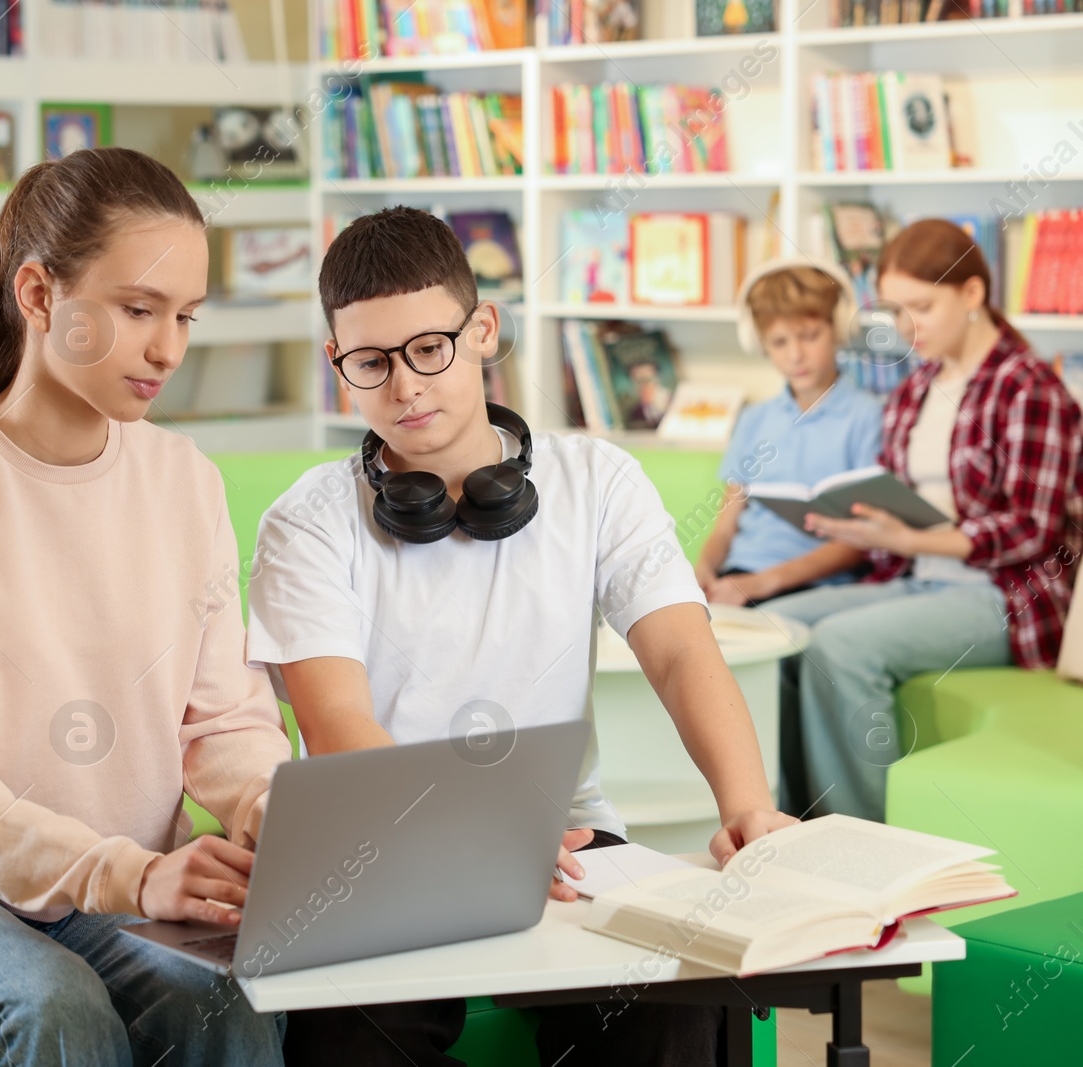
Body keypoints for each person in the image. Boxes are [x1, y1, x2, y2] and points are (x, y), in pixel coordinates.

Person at [245, 206, 796, 1067]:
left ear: (483, 331)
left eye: (429, 348)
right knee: (351, 1042)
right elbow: (338, 726)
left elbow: (683, 651)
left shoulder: (598, 480)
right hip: (385, 854)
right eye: (371, 362)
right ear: (337, 364)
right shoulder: (307, 525)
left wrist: (747, 805)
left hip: (566, 842)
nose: (406, 386)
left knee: (682, 1002)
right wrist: (475, 849)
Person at [0, 147, 290, 1067]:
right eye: (137, 309)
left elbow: (226, 719)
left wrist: (269, 807)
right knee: (55, 1010)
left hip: (110, 888)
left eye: (185, 316)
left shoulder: (184, 481)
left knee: (231, 1004)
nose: (169, 349)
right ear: (38, 296)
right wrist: (137, 873)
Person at [761, 218, 1083, 822]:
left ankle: (860, 840)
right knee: (775, 628)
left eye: (923, 306)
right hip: (918, 581)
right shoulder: (916, 390)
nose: (909, 327)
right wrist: (855, 521)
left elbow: (1032, 528)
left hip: (1004, 595)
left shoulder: (1028, 387)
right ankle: (786, 821)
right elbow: (896, 498)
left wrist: (908, 536)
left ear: (972, 294)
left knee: (840, 646)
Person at [693, 259, 883, 608]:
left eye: (810, 336)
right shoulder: (754, 419)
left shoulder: (866, 416)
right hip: (739, 576)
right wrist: (703, 570)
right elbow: (724, 528)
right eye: (779, 343)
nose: (796, 355)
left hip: (813, 586)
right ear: (761, 344)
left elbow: (863, 541)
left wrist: (763, 583)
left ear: (838, 328)